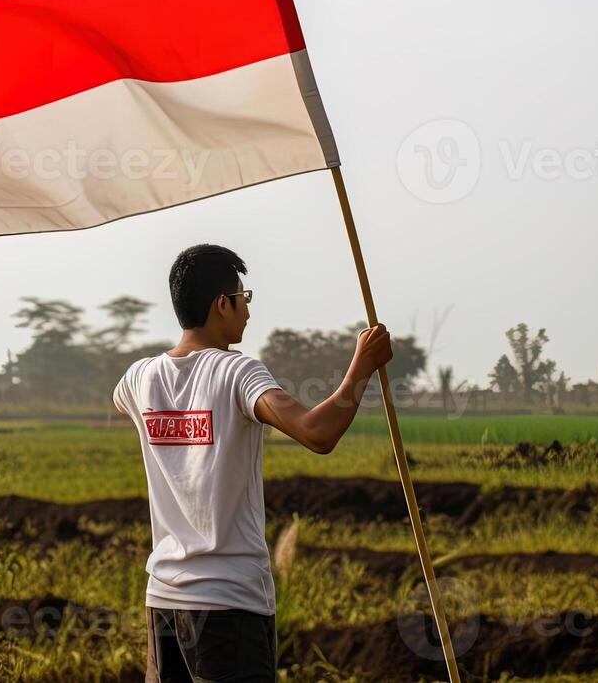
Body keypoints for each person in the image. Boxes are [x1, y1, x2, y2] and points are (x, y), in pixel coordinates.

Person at [112, 243, 395, 683]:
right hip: (229, 608)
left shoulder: (137, 379)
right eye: (243, 299)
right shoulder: (237, 372)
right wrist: (362, 367)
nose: (246, 312)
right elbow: (317, 434)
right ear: (221, 304)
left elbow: (130, 402)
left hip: (164, 604)